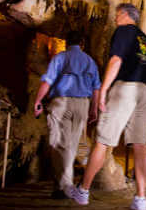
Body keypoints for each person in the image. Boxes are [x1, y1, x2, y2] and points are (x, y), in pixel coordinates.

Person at [69, 3, 146, 210]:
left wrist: (104, 90)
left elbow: (116, 60)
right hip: (144, 91)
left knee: (103, 140)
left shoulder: (123, 31)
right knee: (140, 145)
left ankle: (83, 191)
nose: (115, 19)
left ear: (125, 15)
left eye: (117, 15)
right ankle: (141, 199)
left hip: (125, 88)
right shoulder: (145, 39)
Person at [34, 30, 101, 199]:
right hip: (82, 104)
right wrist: (94, 108)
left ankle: (64, 187)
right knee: (71, 144)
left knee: (58, 143)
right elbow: (96, 87)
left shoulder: (60, 58)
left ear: (66, 43)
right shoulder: (89, 60)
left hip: (62, 103)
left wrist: (38, 100)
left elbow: (47, 81)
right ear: (82, 44)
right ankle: (64, 184)